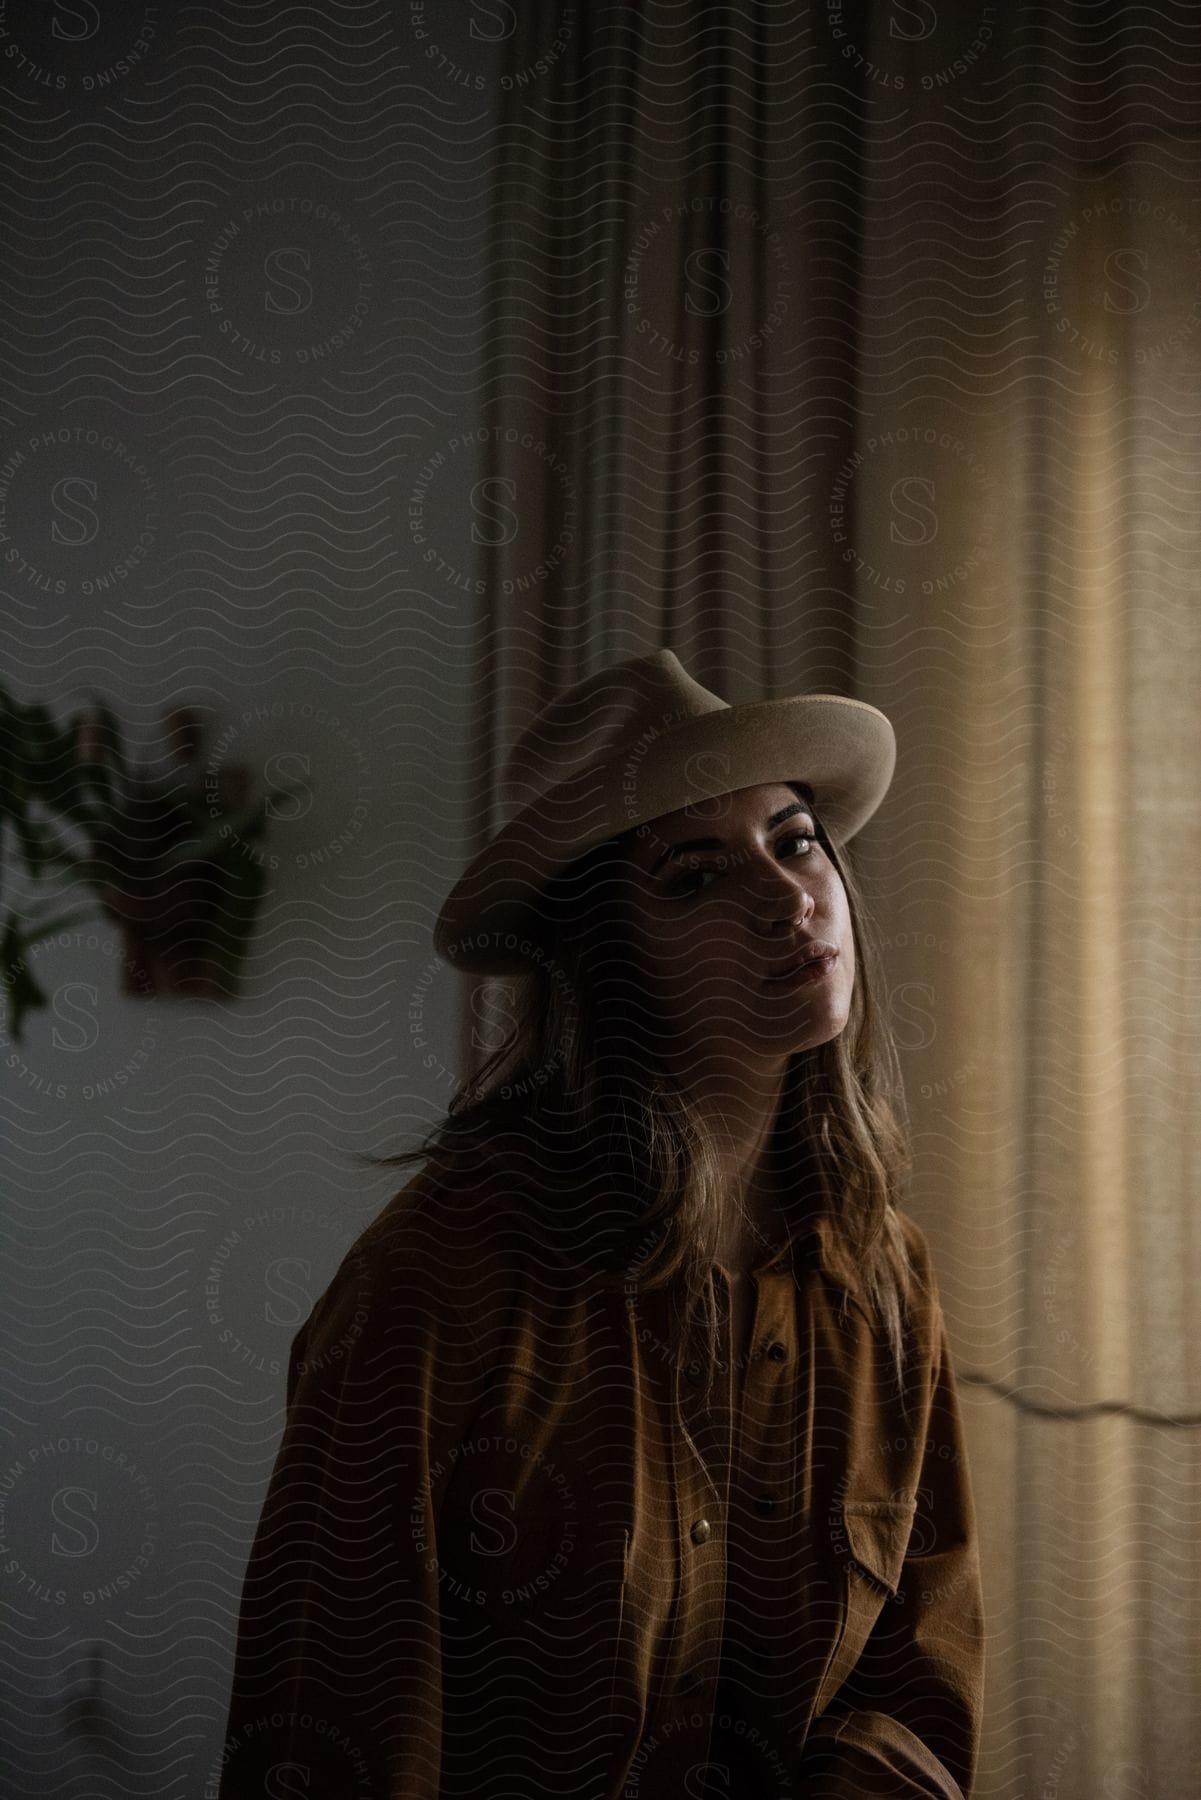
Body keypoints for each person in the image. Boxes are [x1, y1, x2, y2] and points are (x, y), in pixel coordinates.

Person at [214, 649, 985, 1799]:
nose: (785, 897)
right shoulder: (442, 1277)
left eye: (794, 838)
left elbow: (917, 1682)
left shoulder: (881, 1269)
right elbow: (332, 1725)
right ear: (603, 961)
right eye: (692, 876)